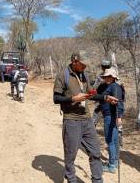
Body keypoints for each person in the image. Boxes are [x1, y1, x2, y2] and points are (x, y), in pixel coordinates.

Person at [53, 51, 118, 183]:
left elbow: (91, 94)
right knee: (70, 155)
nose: (85, 67)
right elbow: (56, 98)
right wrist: (73, 98)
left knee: (95, 152)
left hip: (87, 120)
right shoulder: (63, 75)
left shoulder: (84, 75)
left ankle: (98, 180)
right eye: (83, 64)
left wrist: (105, 98)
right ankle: (71, 179)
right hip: (71, 120)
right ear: (74, 61)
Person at [99, 68, 125, 173]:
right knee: (114, 140)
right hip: (111, 115)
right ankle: (114, 161)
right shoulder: (113, 86)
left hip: (110, 116)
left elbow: (118, 102)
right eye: (105, 76)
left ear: (113, 77)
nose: (106, 78)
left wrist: (119, 117)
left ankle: (112, 165)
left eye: (108, 76)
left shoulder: (114, 87)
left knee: (110, 140)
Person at [92, 59, 112, 125]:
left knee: (96, 112)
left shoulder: (100, 76)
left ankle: (92, 129)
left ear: (102, 66)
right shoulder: (114, 75)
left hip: (102, 98)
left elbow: (94, 87)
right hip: (110, 98)